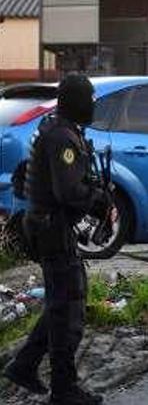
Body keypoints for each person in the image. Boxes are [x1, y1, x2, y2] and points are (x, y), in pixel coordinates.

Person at [3, 75, 111, 404]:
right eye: (89, 98)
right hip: (53, 231)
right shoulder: (62, 137)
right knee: (69, 312)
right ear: (76, 100)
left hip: (49, 229)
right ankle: (63, 389)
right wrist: (97, 198)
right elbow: (68, 191)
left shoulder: (56, 129)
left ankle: (24, 365)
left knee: (59, 306)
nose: (93, 104)